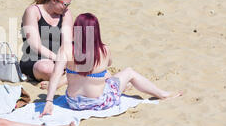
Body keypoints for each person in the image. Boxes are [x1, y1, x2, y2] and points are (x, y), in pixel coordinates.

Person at [40, 13, 182, 117]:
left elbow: (55, 75)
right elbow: (109, 63)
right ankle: (162, 94)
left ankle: (123, 86)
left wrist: (49, 101)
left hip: (74, 103)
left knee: (102, 75)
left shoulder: (65, 49)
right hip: (100, 102)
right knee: (128, 72)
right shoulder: (104, 50)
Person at [20, 0, 73, 89]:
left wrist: (66, 59)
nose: (67, 8)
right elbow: (35, 45)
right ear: (54, 0)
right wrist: (58, 60)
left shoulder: (65, 13)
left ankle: (62, 80)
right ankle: (70, 76)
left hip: (61, 56)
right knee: (46, 69)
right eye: (65, 4)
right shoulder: (33, 11)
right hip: (35, 58)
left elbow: (67, 42)